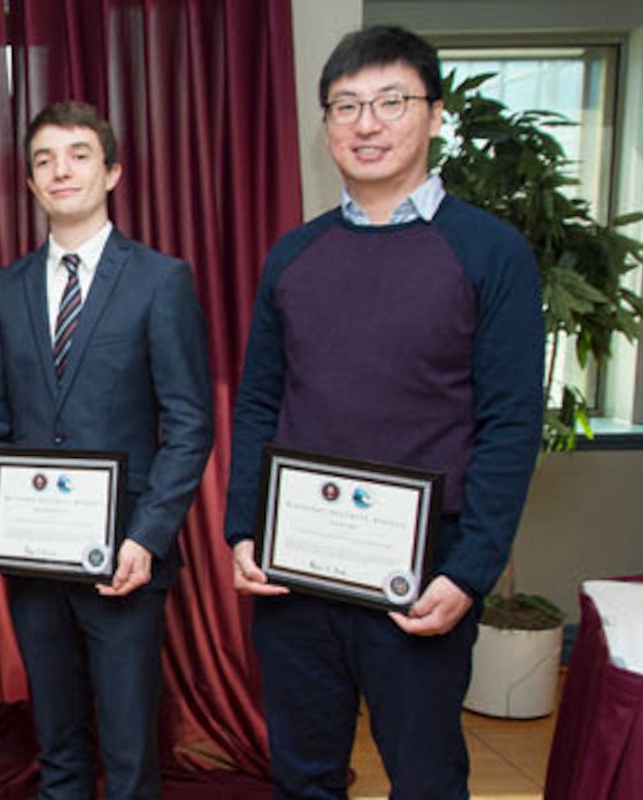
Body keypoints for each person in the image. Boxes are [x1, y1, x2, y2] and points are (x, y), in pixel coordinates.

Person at [223, 26, 544, 799]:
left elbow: (509, 423)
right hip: (297, 567)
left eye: (390, 102)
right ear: (327, 125)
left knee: (427, 776)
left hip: (424, 574)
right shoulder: (293, 255)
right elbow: (262, 399)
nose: (367, 124)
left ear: (434, 116)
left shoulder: (490, 253)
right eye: (346, 106)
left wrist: (469, 573)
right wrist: (243, 528)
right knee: (302, 774)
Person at [0, 100, 214, 798]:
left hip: (124, 562)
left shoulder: (162, 281)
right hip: (32, 555)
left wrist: (149, 537)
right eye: (44, 160)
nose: (59, 170)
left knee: (130, 753)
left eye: (77, 155)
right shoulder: (3, 290)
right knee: (58, 743)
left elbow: (191, 424)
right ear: (32, 184)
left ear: (112, 172)